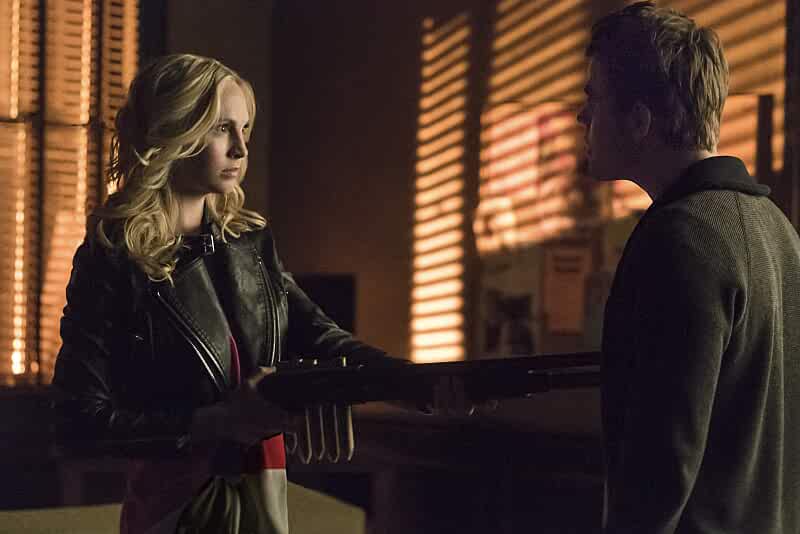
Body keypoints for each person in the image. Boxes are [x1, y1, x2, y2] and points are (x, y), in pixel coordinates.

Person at [51, 53, 405, 534]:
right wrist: (216, 421)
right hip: (176, 507)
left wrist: (411, 382)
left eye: (244, 129)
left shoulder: (249, 245)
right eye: (221, 128)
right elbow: (77, 423)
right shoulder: (114, 259)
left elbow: (322, 337)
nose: (240, 148)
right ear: (174, 132)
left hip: (263, 498)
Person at [577, 2, 800, 533]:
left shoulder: (680, 240)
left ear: (639, 121)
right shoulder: (780, 230)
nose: (582, 117)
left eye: (593, 99)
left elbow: (660, 466)